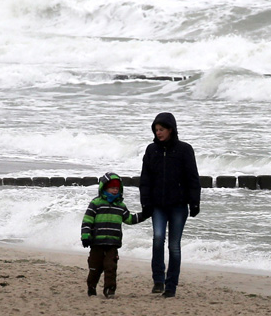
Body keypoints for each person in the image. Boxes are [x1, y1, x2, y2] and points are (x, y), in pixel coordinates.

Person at [138, 112, 201, 298]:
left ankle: (171, 285)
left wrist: (195, 202)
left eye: (161, 129)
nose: (158, 133)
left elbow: (193, 178)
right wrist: (146, 203)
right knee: (158, 239)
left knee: (174, 246)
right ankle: (158, 280)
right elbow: (145, 180)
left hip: (179, 206)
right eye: (156, 130)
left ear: (171, 129)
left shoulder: (184, 150)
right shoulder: (151, 150)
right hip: (158, 205)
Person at [81, 172, 146, 298]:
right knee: (95, 267)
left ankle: (109, 290)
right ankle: (91, 287)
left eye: (117, 188)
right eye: (112, 188)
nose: (115, 190)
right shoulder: (96, 203)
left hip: (112, 243)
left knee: (111, 267)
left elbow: (130, 219)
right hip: (97, 243)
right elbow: (87, 220)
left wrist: (145, 214)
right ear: (104, 188)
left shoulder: (121, 206)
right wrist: (85, 236)